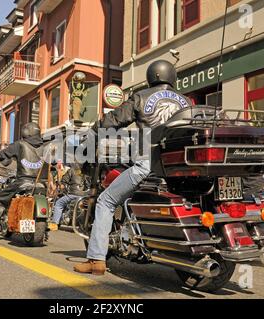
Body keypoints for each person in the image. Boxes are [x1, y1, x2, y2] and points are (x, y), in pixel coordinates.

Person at [73, 60, 193, 275]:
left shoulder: (141, 96)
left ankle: (96, 261)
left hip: (148, 165)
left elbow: (112, 120)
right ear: (172, 77)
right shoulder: (186, 102)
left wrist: (92, 133)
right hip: (179, 167)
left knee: (105, 201)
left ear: (151, 76)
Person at [0, 123, 50, 241]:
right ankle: (44, 230)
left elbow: (2, 153)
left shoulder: (20, 144)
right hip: (42, 183)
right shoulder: (46, 146)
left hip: (23, 182)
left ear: (25, 132)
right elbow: (52, 167)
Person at [49, 163, 89, 231]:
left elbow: (63, 182)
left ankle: (54, 224)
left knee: (59, 203)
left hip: (74, 194)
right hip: (86, 196)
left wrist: (60, 185)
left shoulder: (72, 170)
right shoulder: (90, 171)